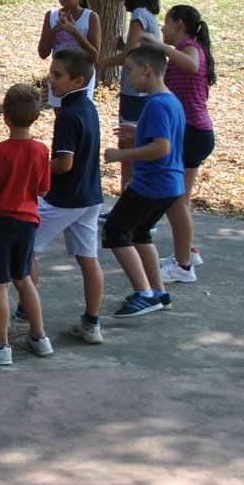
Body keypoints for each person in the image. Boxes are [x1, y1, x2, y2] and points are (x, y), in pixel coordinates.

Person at [0, 84, 53, 365]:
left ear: (4, 116)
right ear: (36, 117)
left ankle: (0, 346)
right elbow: (43, 190)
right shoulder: (42, 151)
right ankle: (39, 337)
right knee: (24, 278)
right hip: (28, 222)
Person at [102, 44, 186, 319]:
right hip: (170, 185)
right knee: (139, 233)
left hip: (152, 185)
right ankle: (159, 293)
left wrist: (121, 154)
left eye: (130, 71)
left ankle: (144, 293)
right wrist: (138, 131)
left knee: (115, 232)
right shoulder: (171, 100)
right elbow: (165, 138)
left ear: (146, 70)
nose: (128, 77)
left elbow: (162, 147)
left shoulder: (156, 104)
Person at [28, 49, 106, 345]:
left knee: (24, 250)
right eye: (51, 73)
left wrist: (32, 170)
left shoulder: (68, 116)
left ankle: (24, 316)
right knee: (89, 258)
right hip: (90, 196)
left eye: (58, 76)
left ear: (78, 80)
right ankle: (91, 323)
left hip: (65, 199)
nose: (50, 80)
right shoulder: (88, 107)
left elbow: (64, 163)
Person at [141, 5, 216, 283]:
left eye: (166, 23)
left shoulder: (189, 47)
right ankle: (188, 253)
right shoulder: (186, 48)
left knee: (176, 201)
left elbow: (192, 65)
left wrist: (159, 45)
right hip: (195, 132)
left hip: (193, 133)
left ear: (179, 24)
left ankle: (183, 266)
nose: (163, 28)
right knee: (179, 200)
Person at [98, 0, 161, 199]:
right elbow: (136, 48)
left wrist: (101, 62)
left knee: (128, 146)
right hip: (141, 93)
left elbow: (131, 56)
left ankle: (128, 202)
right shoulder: (146, 15)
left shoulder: (138, 15)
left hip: (135, 94)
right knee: (133, 143)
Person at [35, 0, 101, 109]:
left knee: (79, 113)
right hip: (59, 78)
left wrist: (76, 32)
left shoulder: (90, 17)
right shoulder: (52, 16)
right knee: (62, 119)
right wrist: (54, 31)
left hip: (81, 80)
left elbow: (95, 56)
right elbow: (43, 53)